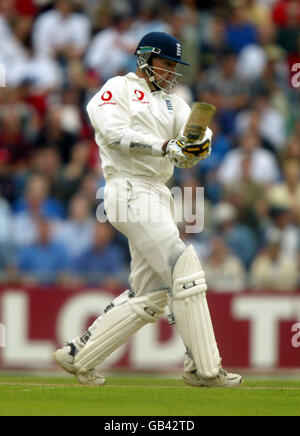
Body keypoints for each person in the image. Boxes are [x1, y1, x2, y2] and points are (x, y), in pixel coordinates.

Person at [54, 32, 242, 388]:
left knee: (152, 295)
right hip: (126, 188)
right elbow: (111, 132)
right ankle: (203, 368)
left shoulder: (172, 102)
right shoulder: (118, 88)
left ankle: (80, 354)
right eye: (167, 64)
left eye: (176, 67)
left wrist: (197, 145)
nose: (172, 73)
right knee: (183, 267)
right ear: (145, 58)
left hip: (157, 193)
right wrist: (164, 146)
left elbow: (195, 134)